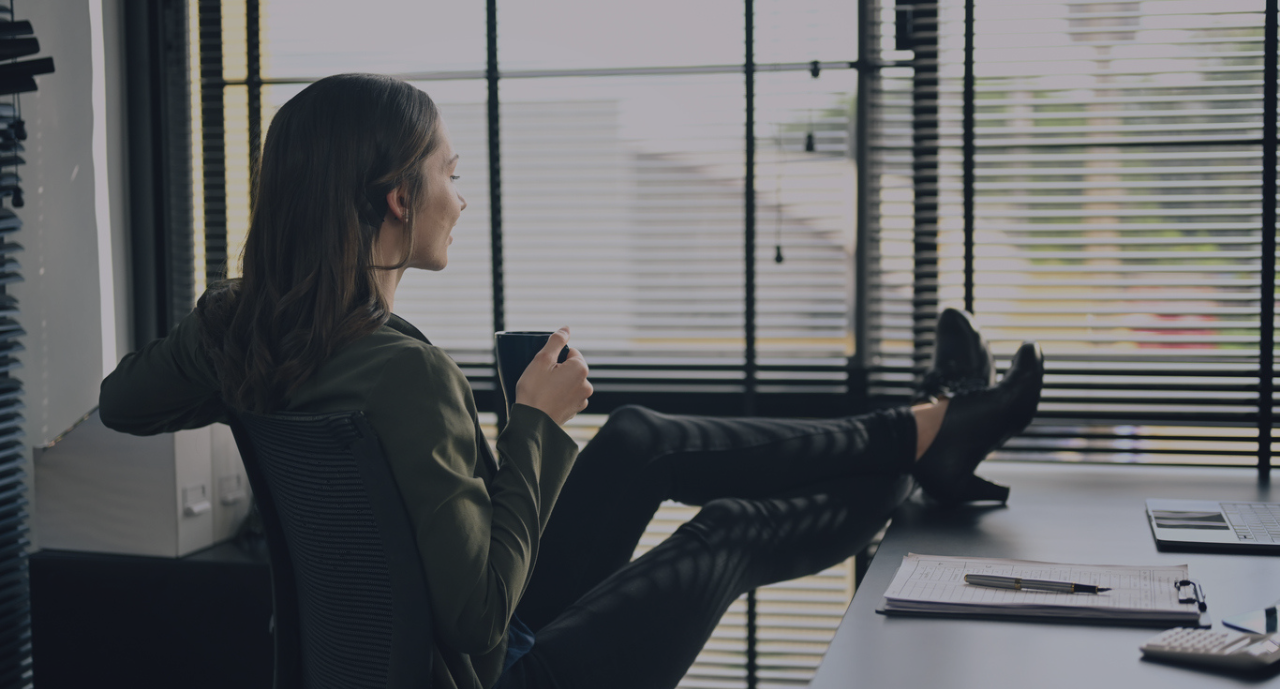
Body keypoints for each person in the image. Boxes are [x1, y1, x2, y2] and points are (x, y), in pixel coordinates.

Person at [99, 74, 1044, 689]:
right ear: (397, 198)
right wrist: (536, 429)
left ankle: (925, 431)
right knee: (727, 533)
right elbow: (477, 618)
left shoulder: (248, 336)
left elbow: (123, 402)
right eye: (448, 176)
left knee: (637, 437)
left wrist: (230, 321)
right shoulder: (405, 375)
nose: (459, 199)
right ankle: (928, 440)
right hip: (486, 666)